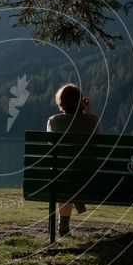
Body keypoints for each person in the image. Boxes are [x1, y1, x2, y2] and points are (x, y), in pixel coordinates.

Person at [46, 83, 103, 237]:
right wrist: (88, 113)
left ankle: (63, 227)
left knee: (65, 175)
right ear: (81, 102)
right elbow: (99, 143)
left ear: (61, 102)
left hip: (62, 178)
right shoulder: (93, 120)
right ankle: (70, 214)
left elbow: (52, 147)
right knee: (73, 174)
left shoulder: (53, 121)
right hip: (89, 178)